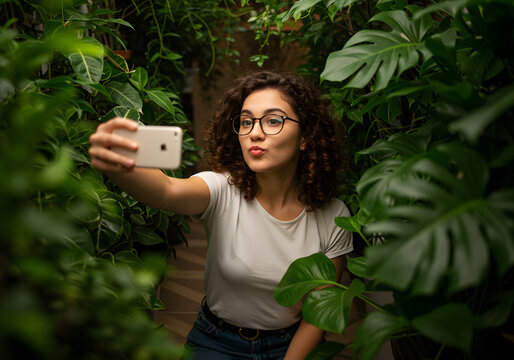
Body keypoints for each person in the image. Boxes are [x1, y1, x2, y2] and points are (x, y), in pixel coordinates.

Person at [89, 70, 353, 359]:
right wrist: (113, 163)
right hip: (216, 343)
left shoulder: (334, 215)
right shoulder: (222, 189)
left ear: (305, 137)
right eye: (246, 121)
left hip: (290, 347)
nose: (255, 132)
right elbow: (166, 190)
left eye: (273, 120)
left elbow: (317, 315)